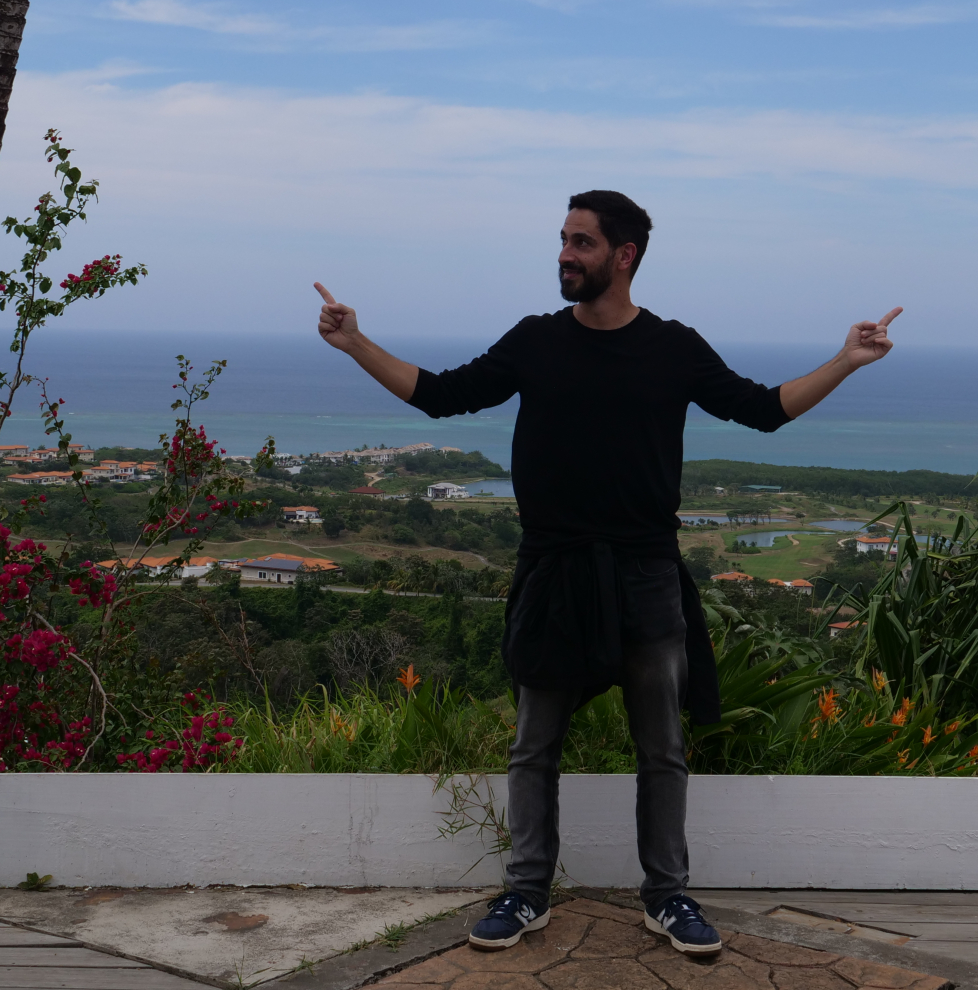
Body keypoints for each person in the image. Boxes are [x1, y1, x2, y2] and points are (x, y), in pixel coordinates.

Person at [313, 190, 900, 958]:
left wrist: (847, 361)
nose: (565, 253)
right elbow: (443, 396)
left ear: (624, 256)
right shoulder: (535, 339)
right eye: (563, 239)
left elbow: (763, 409)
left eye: (581, 242)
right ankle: (527, 891)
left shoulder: (673, 347)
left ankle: (667, 896)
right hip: (553, 572)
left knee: (661, 748)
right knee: (534, 746)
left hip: (646, 573)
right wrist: (356, 343)